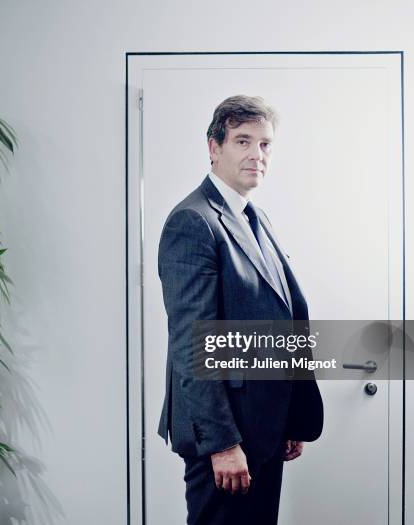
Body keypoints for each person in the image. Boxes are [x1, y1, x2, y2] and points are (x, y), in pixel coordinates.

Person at [157, 95, 324, 524]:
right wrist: (222, 444)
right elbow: (193, 345)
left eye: (265, 144)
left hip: (263, 431)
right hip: (227, 437)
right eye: (242, 141)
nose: (257, 155)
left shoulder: (254, 216)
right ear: (214, 147)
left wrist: (289, 419)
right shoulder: (193, 221)